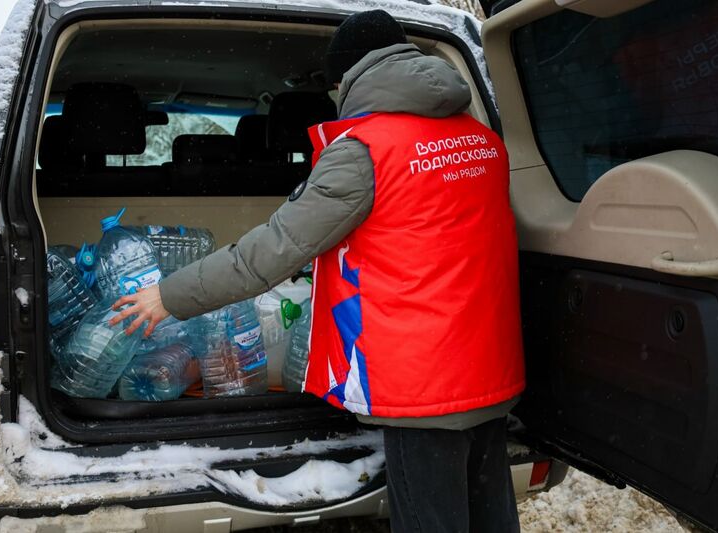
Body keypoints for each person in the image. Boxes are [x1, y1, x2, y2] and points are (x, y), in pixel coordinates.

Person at [110, 9, 525, 532]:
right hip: (488, 369)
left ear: (346, 77)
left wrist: (168, 296)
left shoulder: (364, 151)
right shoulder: (481, 141)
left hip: (423, 386)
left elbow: (270, 253)